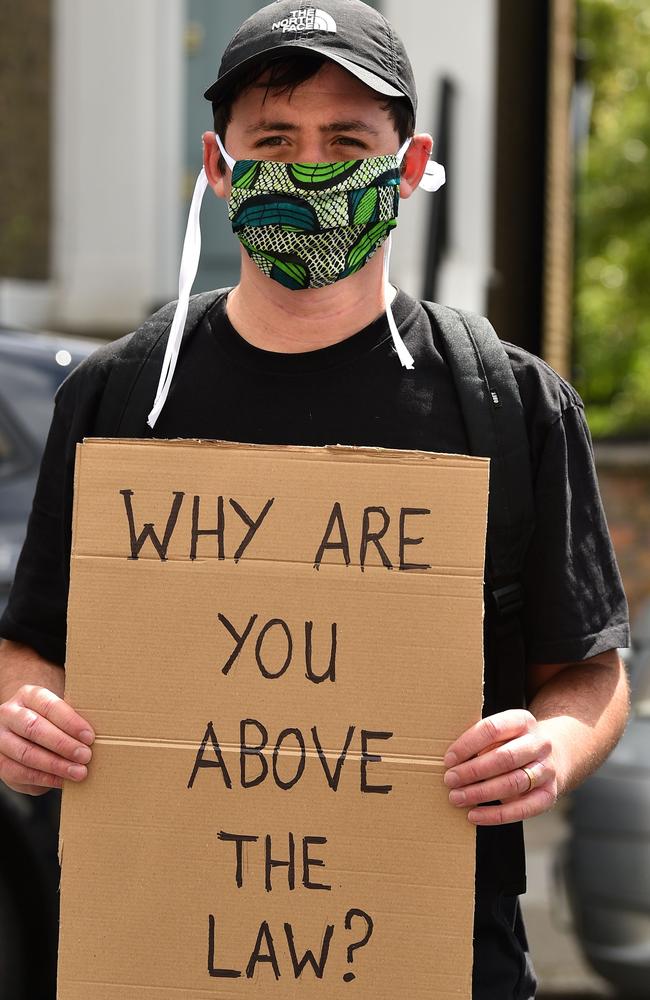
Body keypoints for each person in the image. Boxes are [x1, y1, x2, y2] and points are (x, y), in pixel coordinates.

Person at [0, 2, 630, 997]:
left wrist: (545, 750)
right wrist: (20, 712)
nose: (309, 170)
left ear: (408, 162)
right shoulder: (119, 396)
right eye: (274, 141)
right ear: (217, 167)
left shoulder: (506, 402)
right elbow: (30, 639)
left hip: (433, 956)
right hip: (163, 948)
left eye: (346, 141)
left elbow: (588, 674)